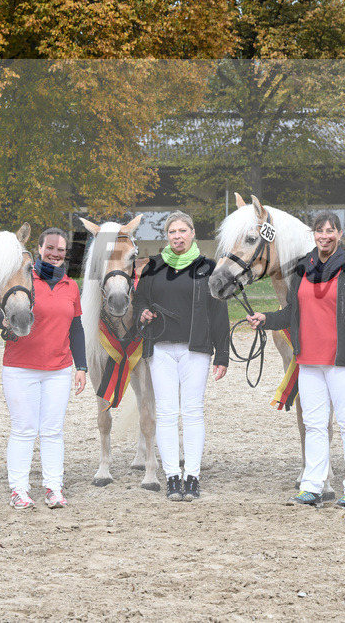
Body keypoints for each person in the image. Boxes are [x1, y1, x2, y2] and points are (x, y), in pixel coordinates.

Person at [246, 212, 345, 509]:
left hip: (341, 360)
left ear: (340, 235)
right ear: (313, 235)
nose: (325, 235)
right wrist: (266, 319)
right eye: (320, 231)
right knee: (315, 424)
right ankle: (312, 485)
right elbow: (293, 312)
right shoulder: (302, 267)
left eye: (331, 231)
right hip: (308, 361)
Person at [134, 211, 229, 502]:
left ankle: (193, 476)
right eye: (172, 232)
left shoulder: (208, 268)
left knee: (192, 412)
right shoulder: (153, 267)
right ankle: (172, 476)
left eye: (182, 231)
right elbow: (139, 299)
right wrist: (142, 312)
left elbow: (218, 311)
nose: (177, 236)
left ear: (192, 233)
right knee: (165, 413)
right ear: (167, 236)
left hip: (195, 349)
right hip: (160, 349)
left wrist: (222, 354)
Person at [0, 227, 87, 510]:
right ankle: (19, 490)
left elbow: (76, 328)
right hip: (21, 367)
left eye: (60, 250)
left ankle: (53, 488)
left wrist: (81, 366)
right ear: (39, 249)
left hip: (59, 369)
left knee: (52, 431)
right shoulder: (24, 278)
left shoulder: (71, 287)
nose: (55, 254)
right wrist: (1, 321)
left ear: (66, 254)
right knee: (24, 429)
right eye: (50, 248)